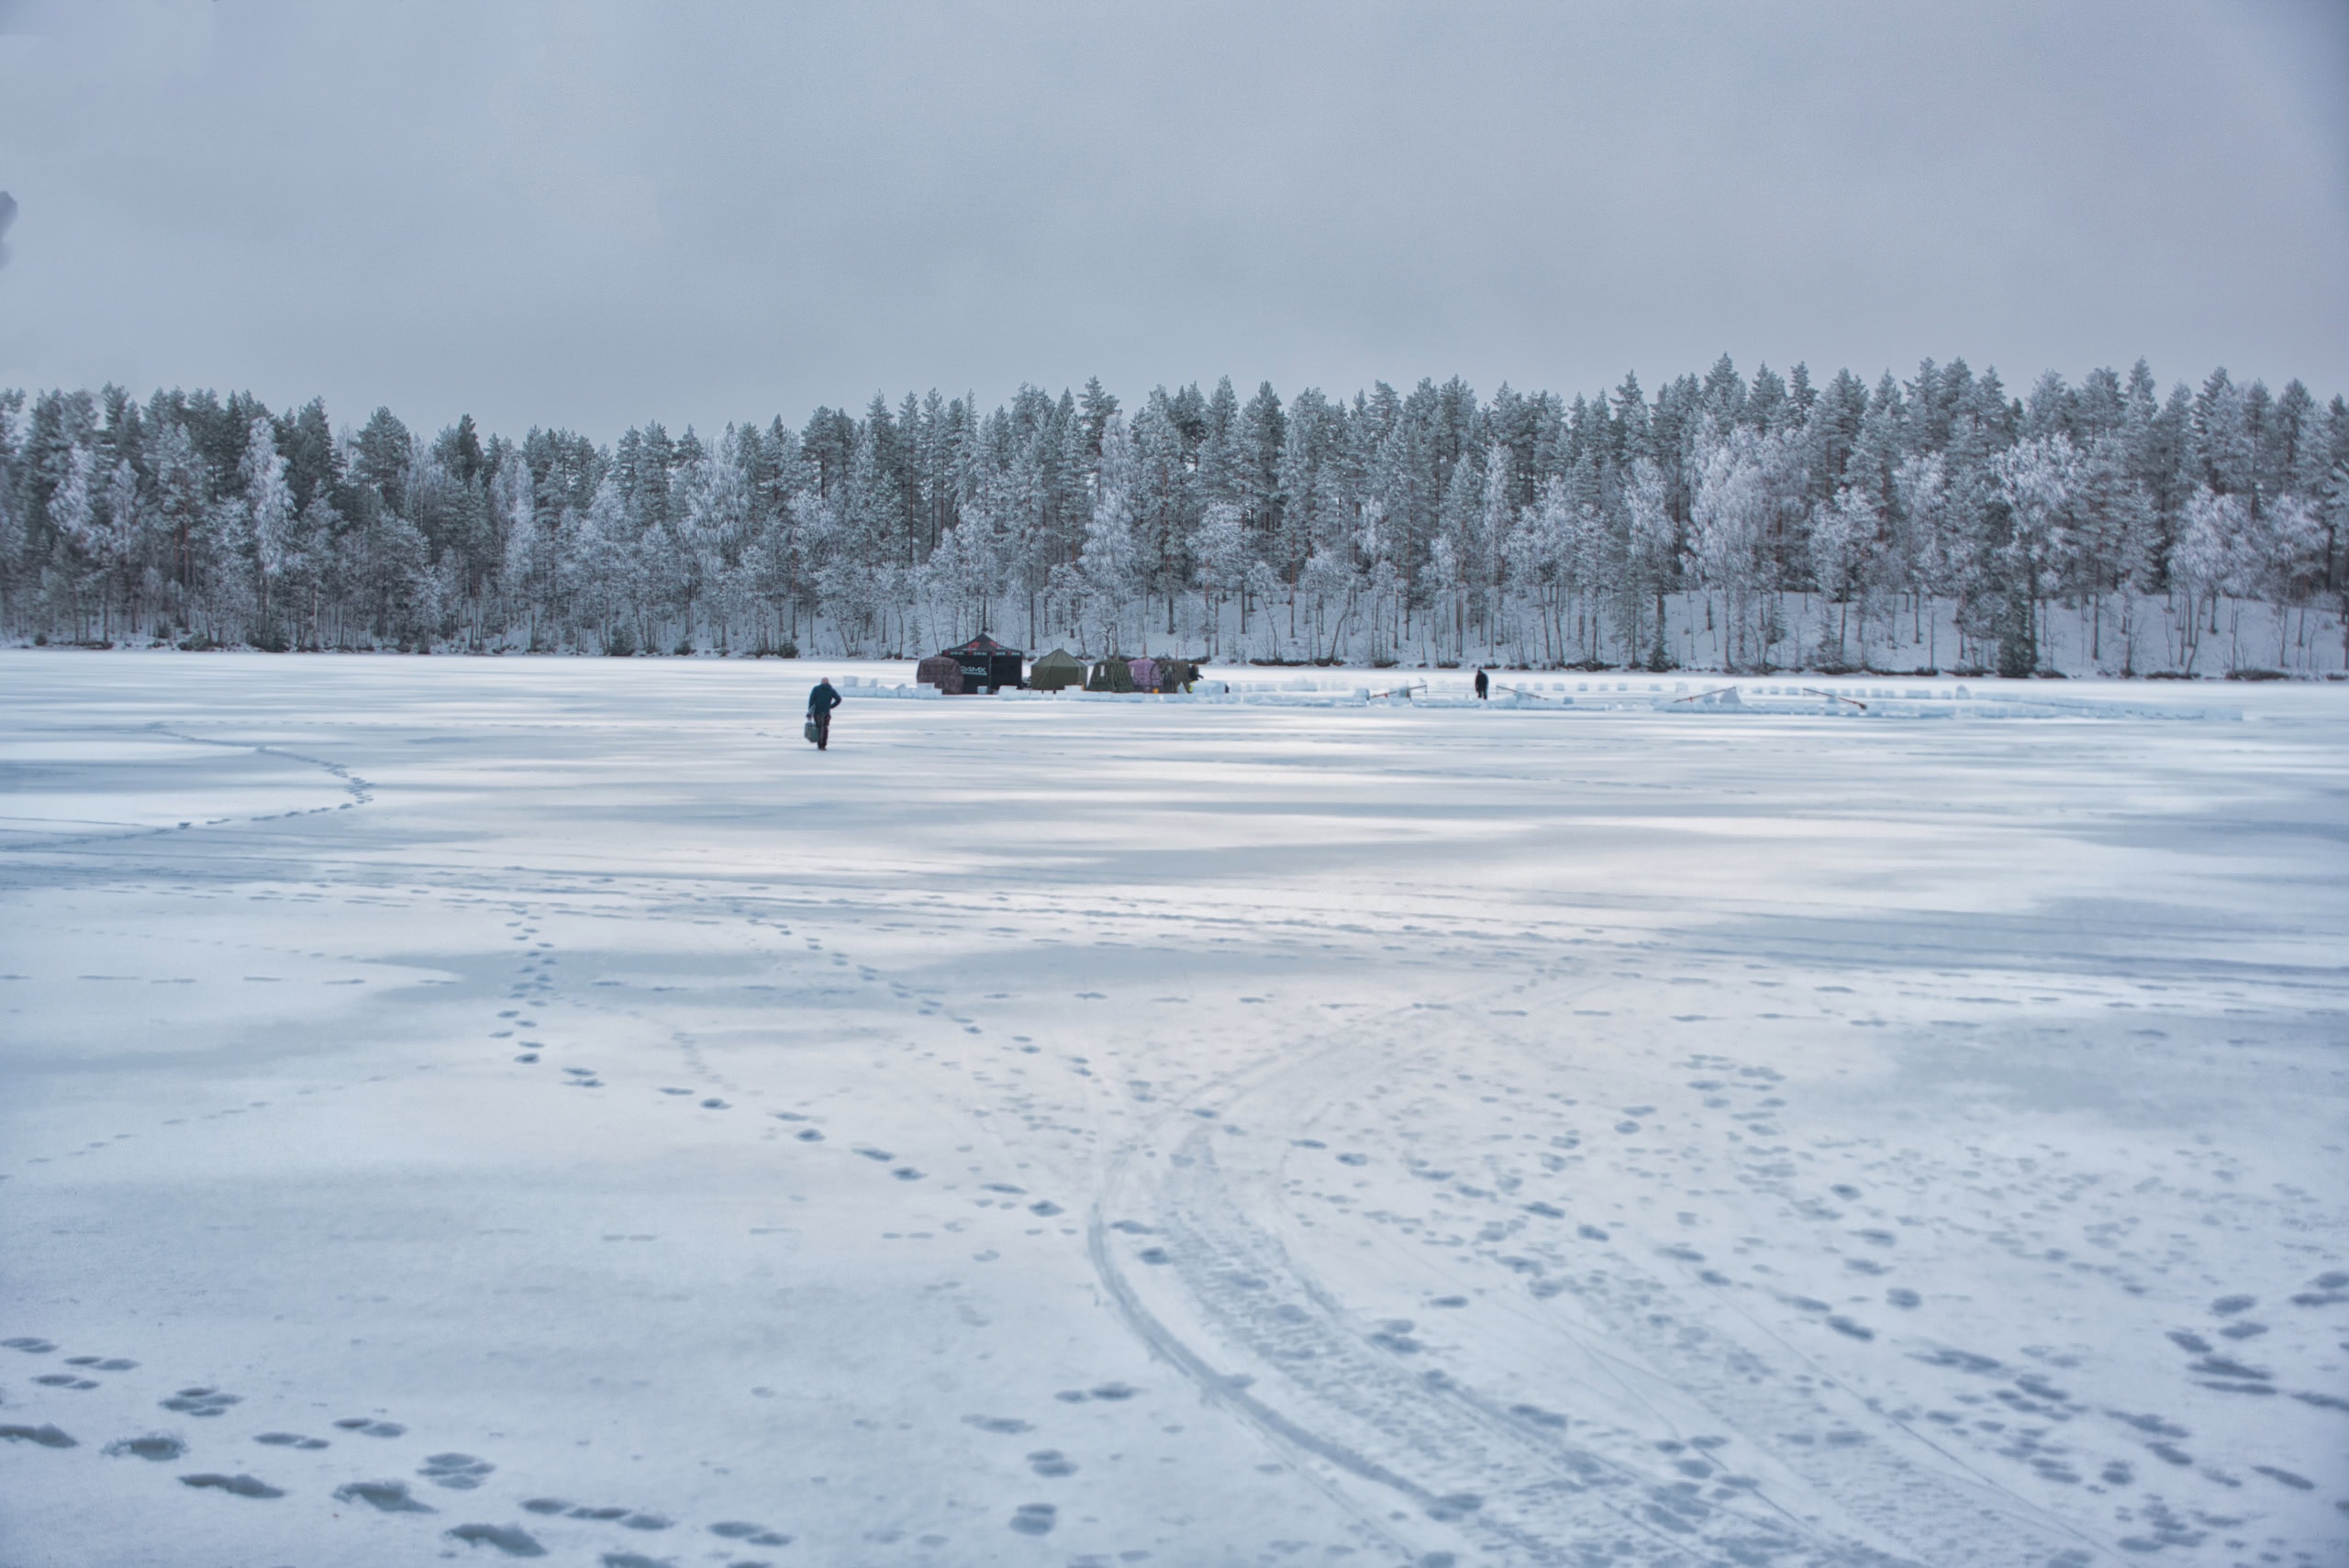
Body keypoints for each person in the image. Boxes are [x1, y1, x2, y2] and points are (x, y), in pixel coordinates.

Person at [806, 675, 842, 751]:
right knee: (825, 728)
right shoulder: (831, 690)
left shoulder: (816, 689)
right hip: (826, 713)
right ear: (828, 682)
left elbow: (811, 701)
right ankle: (823, 745)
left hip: (817, 712)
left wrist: (810, 713)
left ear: (821, 682)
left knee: (820, 728)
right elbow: (838, 699)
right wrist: (831, 706)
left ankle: (820, 745)